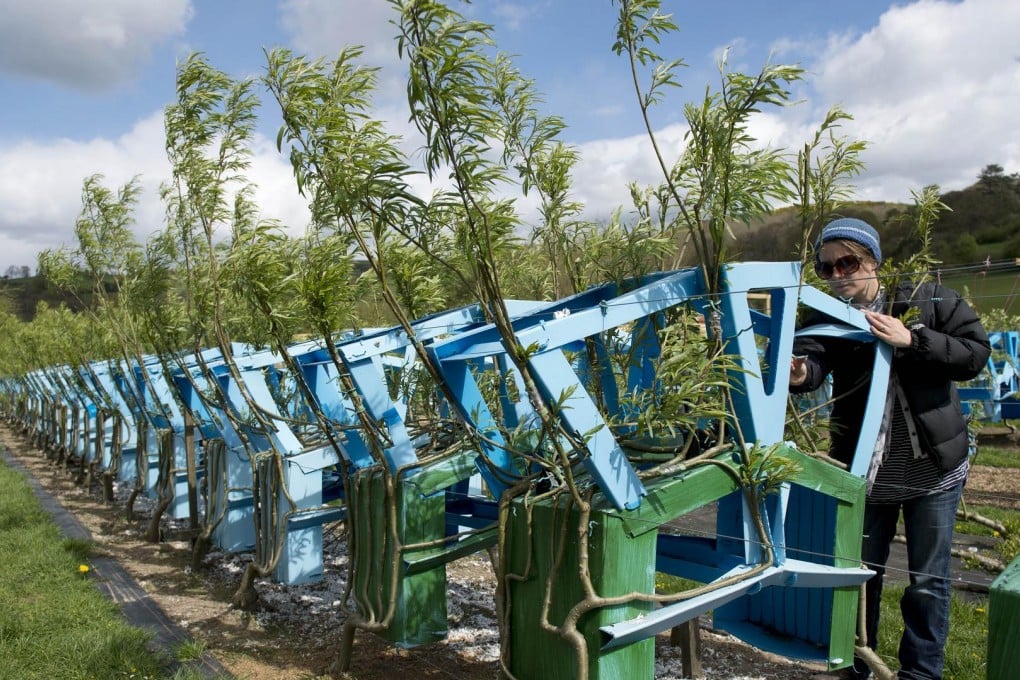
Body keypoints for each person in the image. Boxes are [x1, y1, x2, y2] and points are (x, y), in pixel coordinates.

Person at [789, 217, 991, 680]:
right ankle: (858, 667)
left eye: (847, 263)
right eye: (826, 268)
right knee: (861, 576)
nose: (837, 275)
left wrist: (913, 339)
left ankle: (920, 673)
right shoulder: (825, 313)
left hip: (933, 468)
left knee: (928, 581)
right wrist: (800, 372)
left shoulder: (926, 297)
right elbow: (812, 360)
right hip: (867, 472)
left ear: (873, 261)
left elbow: (974, 354)